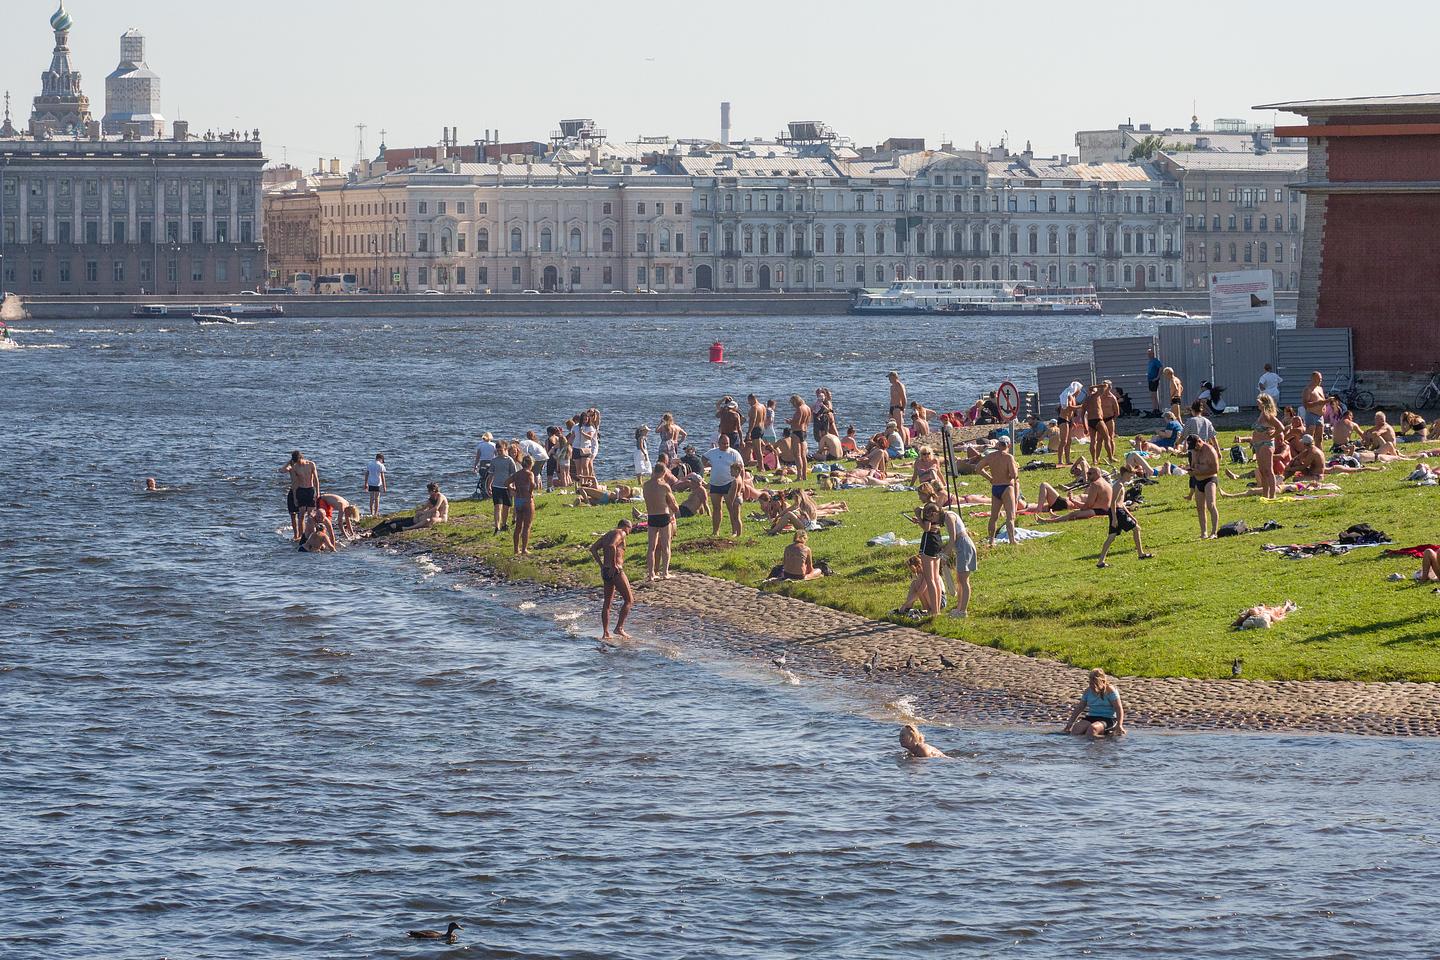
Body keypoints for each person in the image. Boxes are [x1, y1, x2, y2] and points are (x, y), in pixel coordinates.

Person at [1097, 466, 1153, 568]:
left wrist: (1131, 516)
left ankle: (1100, 562)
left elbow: (1121, 503)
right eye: (1131, 474)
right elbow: (1113, 503)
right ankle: (1141, 554)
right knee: (1136, 529)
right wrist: (1114, 518)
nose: (1132, 476)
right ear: (1125, 474)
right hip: (1117, 512)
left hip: (1120, 510)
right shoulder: (1118, 485)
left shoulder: (1121, 485)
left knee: (1112, 536)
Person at [589, 520, 634, 640]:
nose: (630, 532)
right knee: (629, 600)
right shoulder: (621, 532)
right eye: (630, 529)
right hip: (615, 571)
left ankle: (605, 633)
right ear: (626, 527)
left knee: (607, 603)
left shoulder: (607, 534)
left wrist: (601, 565)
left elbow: (593, 549)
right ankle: (619, 628)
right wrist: (614, 564)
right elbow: (612, 545)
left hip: (605, 570)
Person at [978, 437, 1019, 546]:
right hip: (1006, 487)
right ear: (1008, 445)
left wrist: (990, 478)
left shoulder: (990, 456)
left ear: (998, 445)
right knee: (1010, 516)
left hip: (995, 487)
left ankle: (991, 540)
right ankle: (1012, 540)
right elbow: (1014, 475)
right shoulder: (1009, 457)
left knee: (994, 517)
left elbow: (978, 468)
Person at [641, 463, 678, 580]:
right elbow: (673, 505)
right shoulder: (664, 486)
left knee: (651, 547)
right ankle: (665, 572)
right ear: (663, 473)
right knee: (666, 546)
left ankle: (651, 574)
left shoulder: (645, 485)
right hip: (663, 516)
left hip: (652, 516)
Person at [1063, 668, 1126, 738]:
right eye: (1091, 683)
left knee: (1092, 729)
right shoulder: (1088, 691)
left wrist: (1119, 725)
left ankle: (1106, 738)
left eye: (1095, 683)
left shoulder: (1110, 690)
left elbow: (1118, 708)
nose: (1092, 686)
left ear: (1102, 682)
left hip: (1108, 718)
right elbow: (1080, 707)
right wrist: (1070, 723)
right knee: (1076, 729)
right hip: (1092, 716)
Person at [704, 434, 745, 537]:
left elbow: (742, 468)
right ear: (718, 443)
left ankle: (734, 531)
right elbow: (703, 458)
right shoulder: (713, 452)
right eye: (723, 443)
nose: (726, 445)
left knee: (731, 508)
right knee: (716, 508)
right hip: (715, 484)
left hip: (729, 484)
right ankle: (715, 531)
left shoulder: (734, 453)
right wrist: (707, 464)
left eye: (727, 443)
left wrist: (742, 483)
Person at [940, 500, 975, 618]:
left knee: (964, 581)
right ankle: (959, 608)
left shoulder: (948, 517)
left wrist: (945, 556)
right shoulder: (947, 516)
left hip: (964, 546)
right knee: (960, 580)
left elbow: (952, 538)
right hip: (961, 547)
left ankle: (963, 611)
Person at [279, 450, 320, 542]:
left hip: (310, 490)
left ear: (302, 458)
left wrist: (318, 492)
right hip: (301, 491)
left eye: (298, 461)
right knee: (301, 515)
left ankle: (311, 534)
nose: (298, 463)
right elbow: (283, 472)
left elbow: (316, 479)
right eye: (295, 462)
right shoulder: (294, 467)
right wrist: (295, 497)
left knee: (310, 515)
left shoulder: (311, 464)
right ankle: (302, 536)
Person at [1185, 435, 1221, 539]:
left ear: (1199, 441)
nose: (1194, 449)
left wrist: (1199, 471)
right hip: (1198, 480)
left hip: (1210, 480)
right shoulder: (1194, 451)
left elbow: (1215, 469)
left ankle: (1214, 532)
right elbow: (1194, 466)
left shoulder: (1210, 450)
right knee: (1200, 508)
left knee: (1211, 505)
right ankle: (1203, 533)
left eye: (1195, 446)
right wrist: (1190, 470)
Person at [1252, 393, 1286, 499]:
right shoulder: (1261, 414)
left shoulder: (1268, 415)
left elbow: (1281, 427)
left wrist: (1272, 435)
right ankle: (1265, 494)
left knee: (1268, 470)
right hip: (1258, 444)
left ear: (1264, 403)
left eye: (1259, 401)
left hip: (1265, 444)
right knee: (1262, 471)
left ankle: (1272, 495)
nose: (1257, 403)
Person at [508, 455, 539, 555]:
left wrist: (514, 490)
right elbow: (533, 484)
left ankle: (516, 549)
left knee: (518, 526)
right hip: (526, 500)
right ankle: (524, 549)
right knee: (527, 526)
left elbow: (506, 483)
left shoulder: (517, 474)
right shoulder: (529, 473)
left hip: (518, 500)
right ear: (531, 464)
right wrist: (530, 492)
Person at [489, 443, 518, 533]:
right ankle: (497, 527)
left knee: (506, 507)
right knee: (497, 506)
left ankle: (504, 524)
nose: (499, 452)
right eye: (497, 451)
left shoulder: (509, 460)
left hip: (507, 487)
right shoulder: (494, 460)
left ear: (505, 449)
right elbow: (491, 474)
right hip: (496, 486)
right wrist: (489, 485)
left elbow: (514, 474)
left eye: (501, 450)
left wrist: (513, 486)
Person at [472, 432, 497, 499]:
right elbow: (496, 455)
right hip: (492, 462)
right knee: (491, 478)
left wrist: (475, 466)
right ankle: (491, 492)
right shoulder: (493, 445)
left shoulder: (480, 445)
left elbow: (478, 456)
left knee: (483, 477)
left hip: (483, 463)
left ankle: (484, 492)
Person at [364, 453, 387, 517]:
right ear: (381, 459)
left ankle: (371, 513)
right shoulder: (381, 465)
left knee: (371, 498)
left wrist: (365, 483)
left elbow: (367, 474)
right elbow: (382, 477)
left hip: (370, 483)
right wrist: (384, 486)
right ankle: (376, 513)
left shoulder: (370, 464)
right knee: (377, 499)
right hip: (377, 483)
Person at [1146, 347, 1163, 416]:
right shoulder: (1150, 361)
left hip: (1154, 380)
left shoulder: (1155, 360)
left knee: (1153, 395)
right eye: (1148, 354)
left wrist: (1157, 377)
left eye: (1150, 353)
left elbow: (1161, 368)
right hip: (1150, 380)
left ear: (1153, 354)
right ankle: (1155, 409)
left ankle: (1155, 409)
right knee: (1152, 395)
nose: (1149, 355)